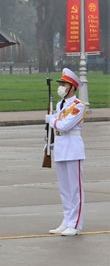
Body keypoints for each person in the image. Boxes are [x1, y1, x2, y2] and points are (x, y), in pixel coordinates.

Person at [46, 68, 86, 236]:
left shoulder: (78, 106)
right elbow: (58, 126)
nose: (61, 87)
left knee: (75, 190)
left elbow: (64, 125)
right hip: (61, 148)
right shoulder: (59, 105)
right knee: (64, 189)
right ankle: (67, 220)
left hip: (73, 149)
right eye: (61, 83)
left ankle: (75, 224)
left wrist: (51, 119)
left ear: (72, 87)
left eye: (64, 84)